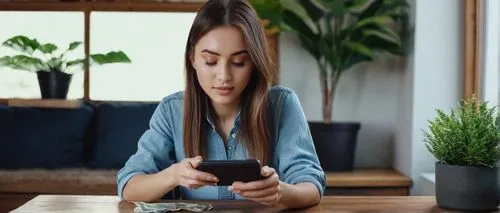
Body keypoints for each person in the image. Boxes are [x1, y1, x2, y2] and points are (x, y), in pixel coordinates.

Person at [117, 0, 326, 209]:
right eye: (210, 61)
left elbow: (312, 186)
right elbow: (129, 186)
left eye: (239, 62)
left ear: (254, 61)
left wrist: (279, 191)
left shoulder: (282, 105)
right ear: (192, 58)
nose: (224, 76)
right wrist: (173, 175)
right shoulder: (172, 109)